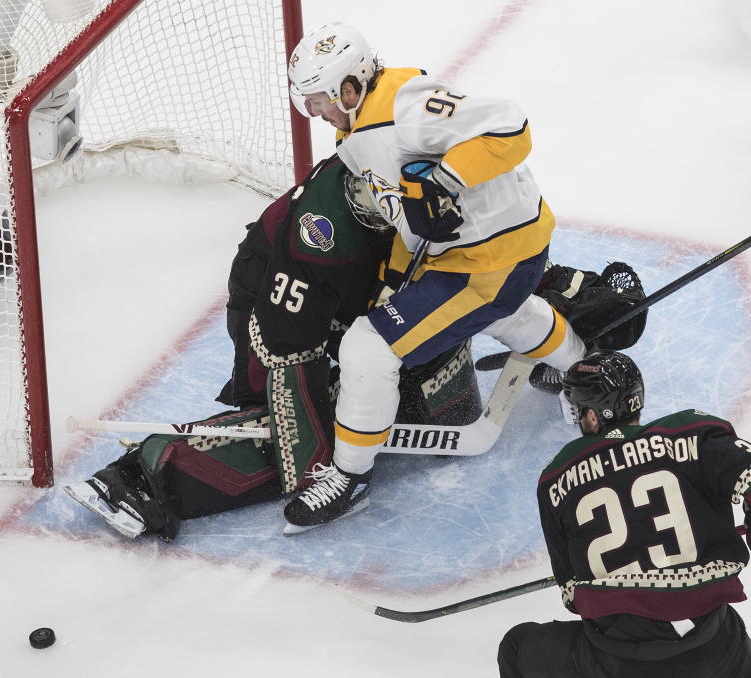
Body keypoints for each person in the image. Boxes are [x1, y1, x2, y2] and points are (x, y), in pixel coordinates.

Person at [63, 156, 484, 540]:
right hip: (269, 299)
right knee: (287, 428)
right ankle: (140, 481)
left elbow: (487, 256)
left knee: (432, 379)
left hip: (350, 289)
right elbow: (288, 345)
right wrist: (319, 462)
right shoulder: (320, 240)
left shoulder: (411, 170)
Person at [283, 22, 588, 530]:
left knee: (367, 347)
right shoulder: (355, 129)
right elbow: (412, 217)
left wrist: (448, 177)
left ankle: (350, 475)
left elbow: (511, 127)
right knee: (499, 313)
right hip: (477, 255)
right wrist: (395, 277)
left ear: (350, 86)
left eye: (318, 98)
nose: (313, 112)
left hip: (493, 259)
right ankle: (580, 367)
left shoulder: (406, 107)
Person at [498, 350, 751, 677]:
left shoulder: (556, 478)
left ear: (592, 416)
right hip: (716, 649)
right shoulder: (691, 436)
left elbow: (574, 595)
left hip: (617, 662)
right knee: (724, 631)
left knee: (517, 646)